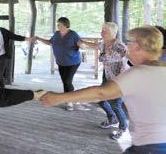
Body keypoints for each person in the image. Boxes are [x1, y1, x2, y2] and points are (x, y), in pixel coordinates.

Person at [41, 26, 166, 154]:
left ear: (137, 46)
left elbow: (101, 93)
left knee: (115, 105)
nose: (126, 46)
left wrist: (58, 98)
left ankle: (120, 125)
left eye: (129, 42)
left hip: (151, 146)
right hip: (152, 144)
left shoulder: (140, 73)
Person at [80, 22, 128, 140]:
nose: (102, 32)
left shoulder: (120, 46)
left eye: (105, 30)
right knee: (101, 99)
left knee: (116, 105)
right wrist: (83, 42)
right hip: (107, 77)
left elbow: (106, 58)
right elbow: (96, 45)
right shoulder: (104, 43)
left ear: (112, 32)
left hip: (120, 80)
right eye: (102, 30)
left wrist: (102, 55)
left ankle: (123, 128)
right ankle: (112, 118)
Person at [34, 17, 82, 111]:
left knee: (67, 81)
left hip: (73, 62)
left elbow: (80, 43)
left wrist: (84, 44)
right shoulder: (56, 34)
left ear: (65, 25)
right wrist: (39, 38)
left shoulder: (73, 34)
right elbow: (50, 43)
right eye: (57, 24)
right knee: (65, 82)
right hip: (61, 62)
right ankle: (70, 97)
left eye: (59, 24)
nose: (57, 26)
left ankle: (70, 101)